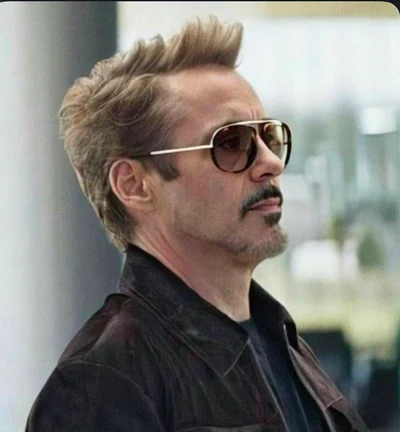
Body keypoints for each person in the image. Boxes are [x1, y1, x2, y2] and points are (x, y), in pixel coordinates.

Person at [26, 16, 369, 432]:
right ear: (134, 185)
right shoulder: (100, 384)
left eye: (268, 137)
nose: (271, 163)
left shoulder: (281, 340)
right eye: (231, 142)